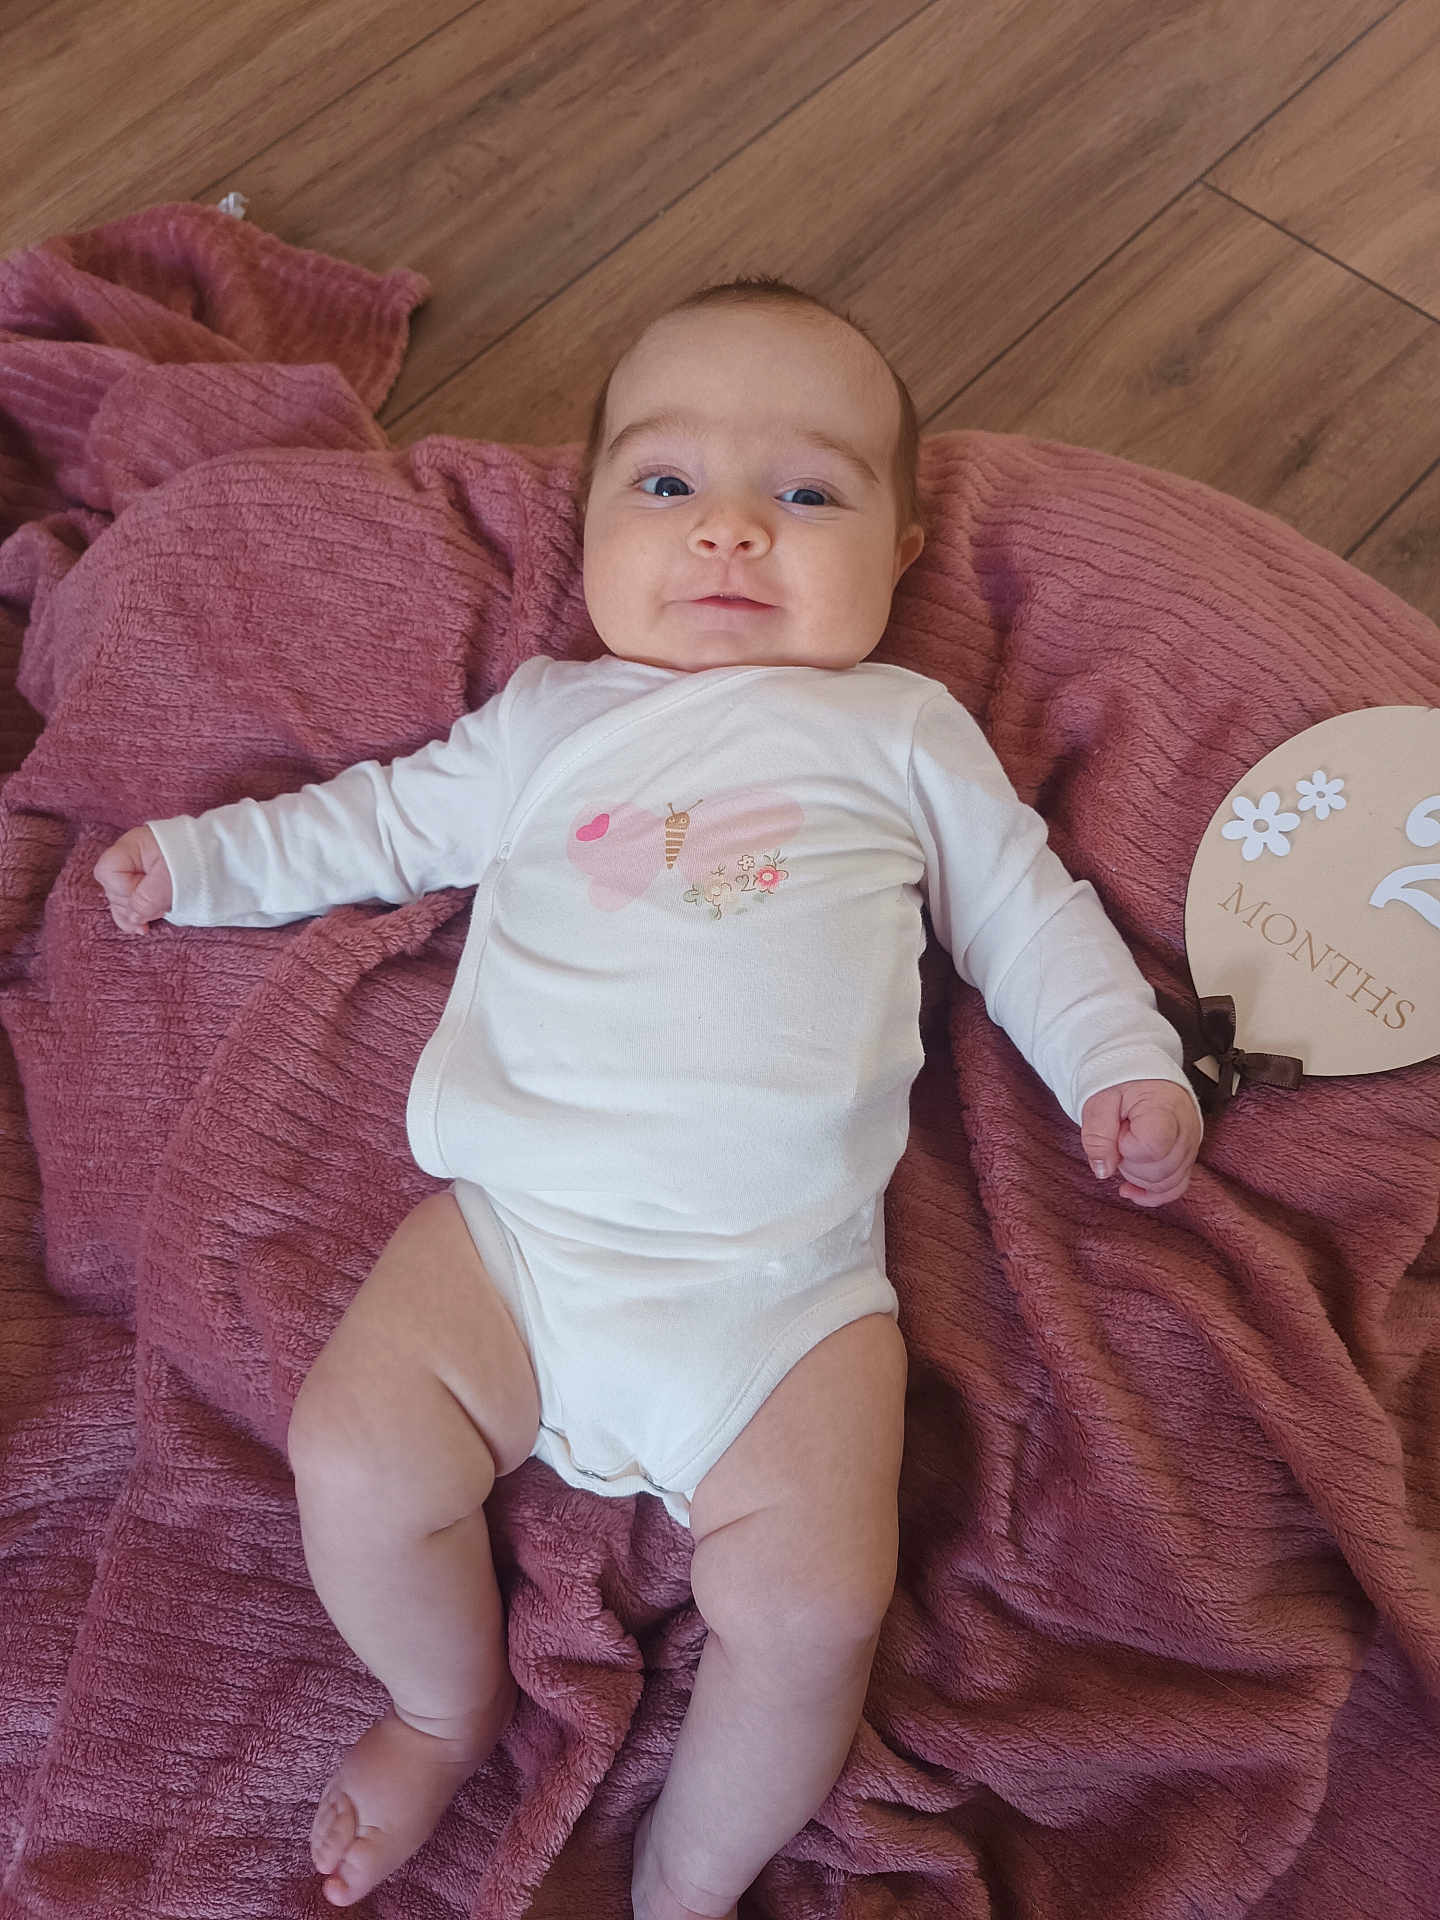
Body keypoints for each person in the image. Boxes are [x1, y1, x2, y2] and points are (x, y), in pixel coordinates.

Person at [93, 277, 1205, 1919]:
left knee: (817, 1607)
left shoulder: (899, 732)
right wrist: (202, 861)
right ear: (592, 521)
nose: (730, 530)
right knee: (356, 1451)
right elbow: (380, 823)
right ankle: (440, 1707)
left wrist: (1123, 1061)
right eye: (669, 483)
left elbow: (1029, 918)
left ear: (901, 550)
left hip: (784, 1295)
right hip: (515, 1241)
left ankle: (691, 1871)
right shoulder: (551, 723)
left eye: (807, 494)